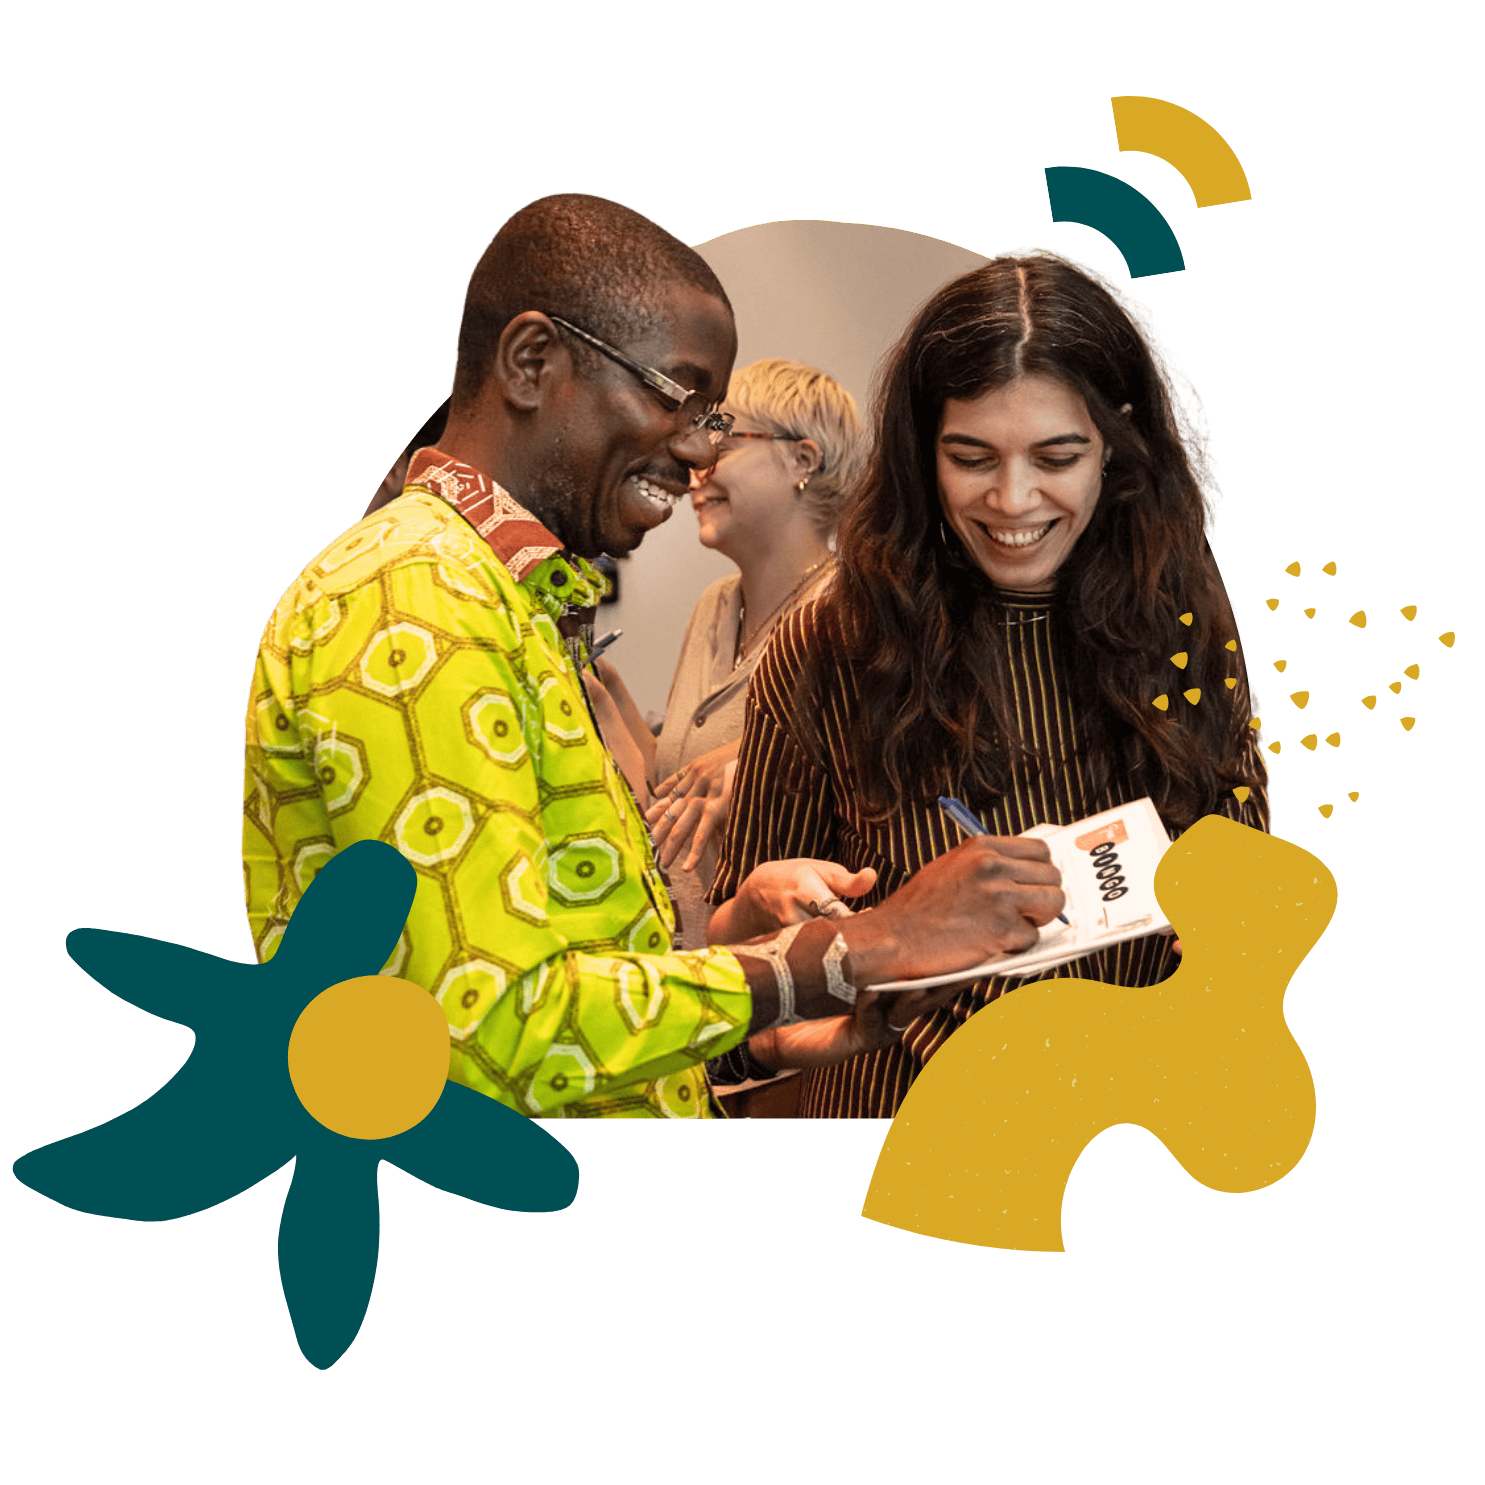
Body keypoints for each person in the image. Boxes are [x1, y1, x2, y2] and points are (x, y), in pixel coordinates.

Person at [240, 195, 1069, 1120]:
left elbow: (559, 961)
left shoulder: (505, 599)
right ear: (531, 362)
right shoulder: (414, 601)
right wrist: (864, 947)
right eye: (679, 397)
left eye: (715, 422)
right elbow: (492, 1030)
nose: (692, 453)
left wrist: (742, 961)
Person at [710, 248, 1272, 1118]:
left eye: (1056, 457)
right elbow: (736, 941)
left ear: (1115, 451)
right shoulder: (831, 641)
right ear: (920, 453)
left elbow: (1250, 908)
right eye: (971, 458)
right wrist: (785, 909)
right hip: (893, 1129)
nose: (1012, 502)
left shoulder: (1186, 627)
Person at [644, 359, 864, 951]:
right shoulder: (713, 607)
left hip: (783, 988)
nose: (695, 471)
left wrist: (759, 755)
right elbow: (676, 792)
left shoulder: (856, 619)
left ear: (803, 460)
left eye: (721, 443)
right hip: (687, 971)